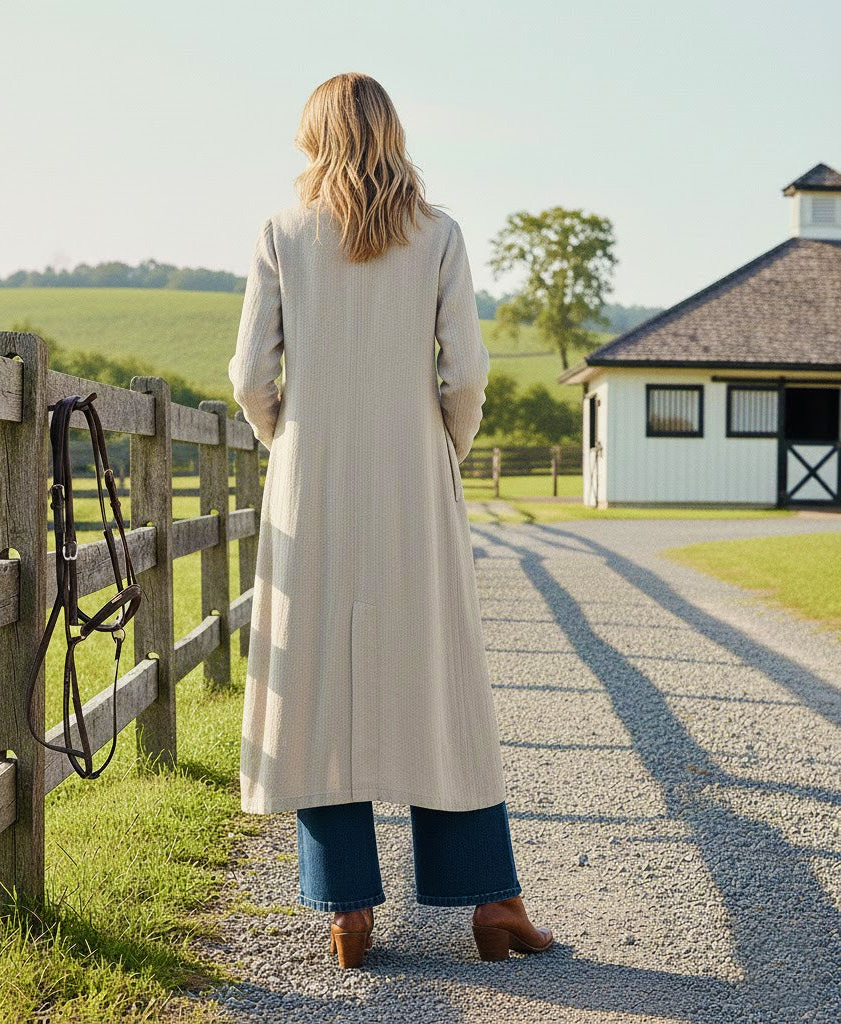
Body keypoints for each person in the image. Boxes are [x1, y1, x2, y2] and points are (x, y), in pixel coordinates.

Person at [228, 71, 553, 969]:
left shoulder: (281, 232)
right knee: (440, 682)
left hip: (312, 483)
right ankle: (494, 902)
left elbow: (250, 377)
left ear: (314, 137)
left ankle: (348, 911)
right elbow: (467, 375)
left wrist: (288, 438)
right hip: (414, 480)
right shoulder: (439, 234)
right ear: (393, 133)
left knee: (320, 685)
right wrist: (445, 446)